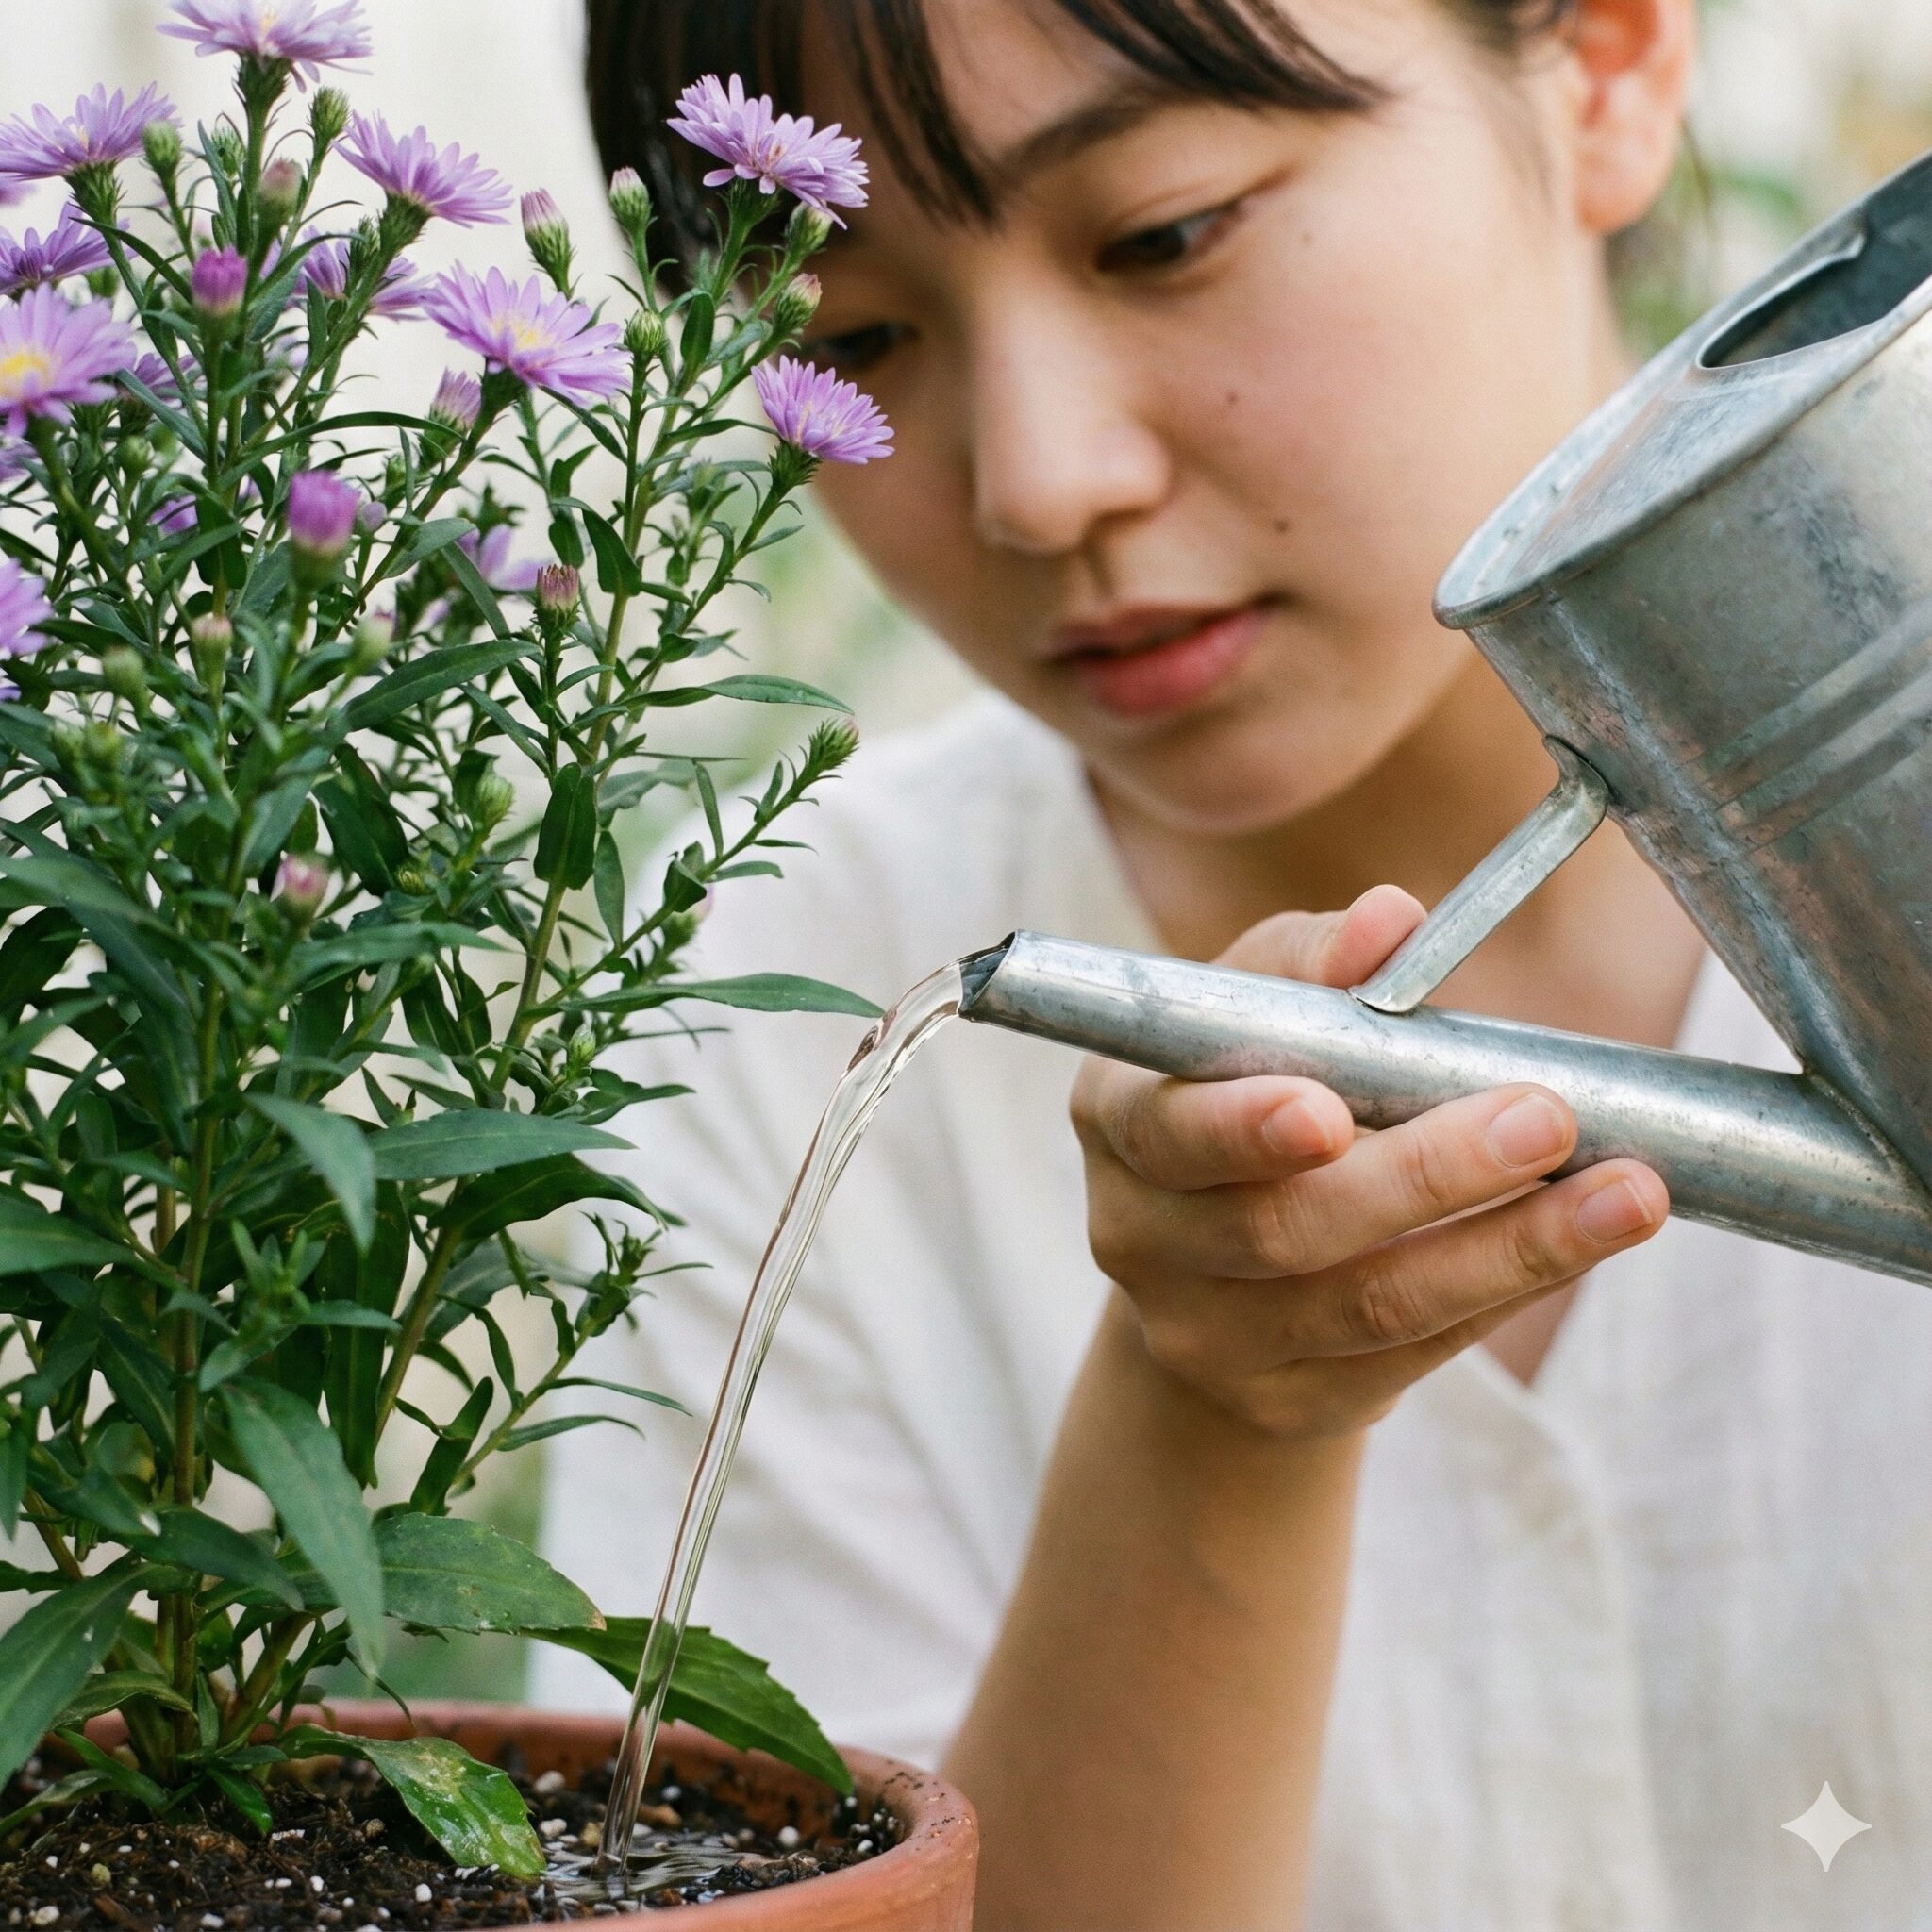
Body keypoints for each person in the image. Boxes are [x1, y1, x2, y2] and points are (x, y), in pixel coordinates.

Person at [537, 3, 1932, 1925]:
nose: (1037, 480)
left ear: (1603, 65)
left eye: (1163, 233)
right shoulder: (792, 994)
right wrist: (1214, 1418)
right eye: (849, 335)